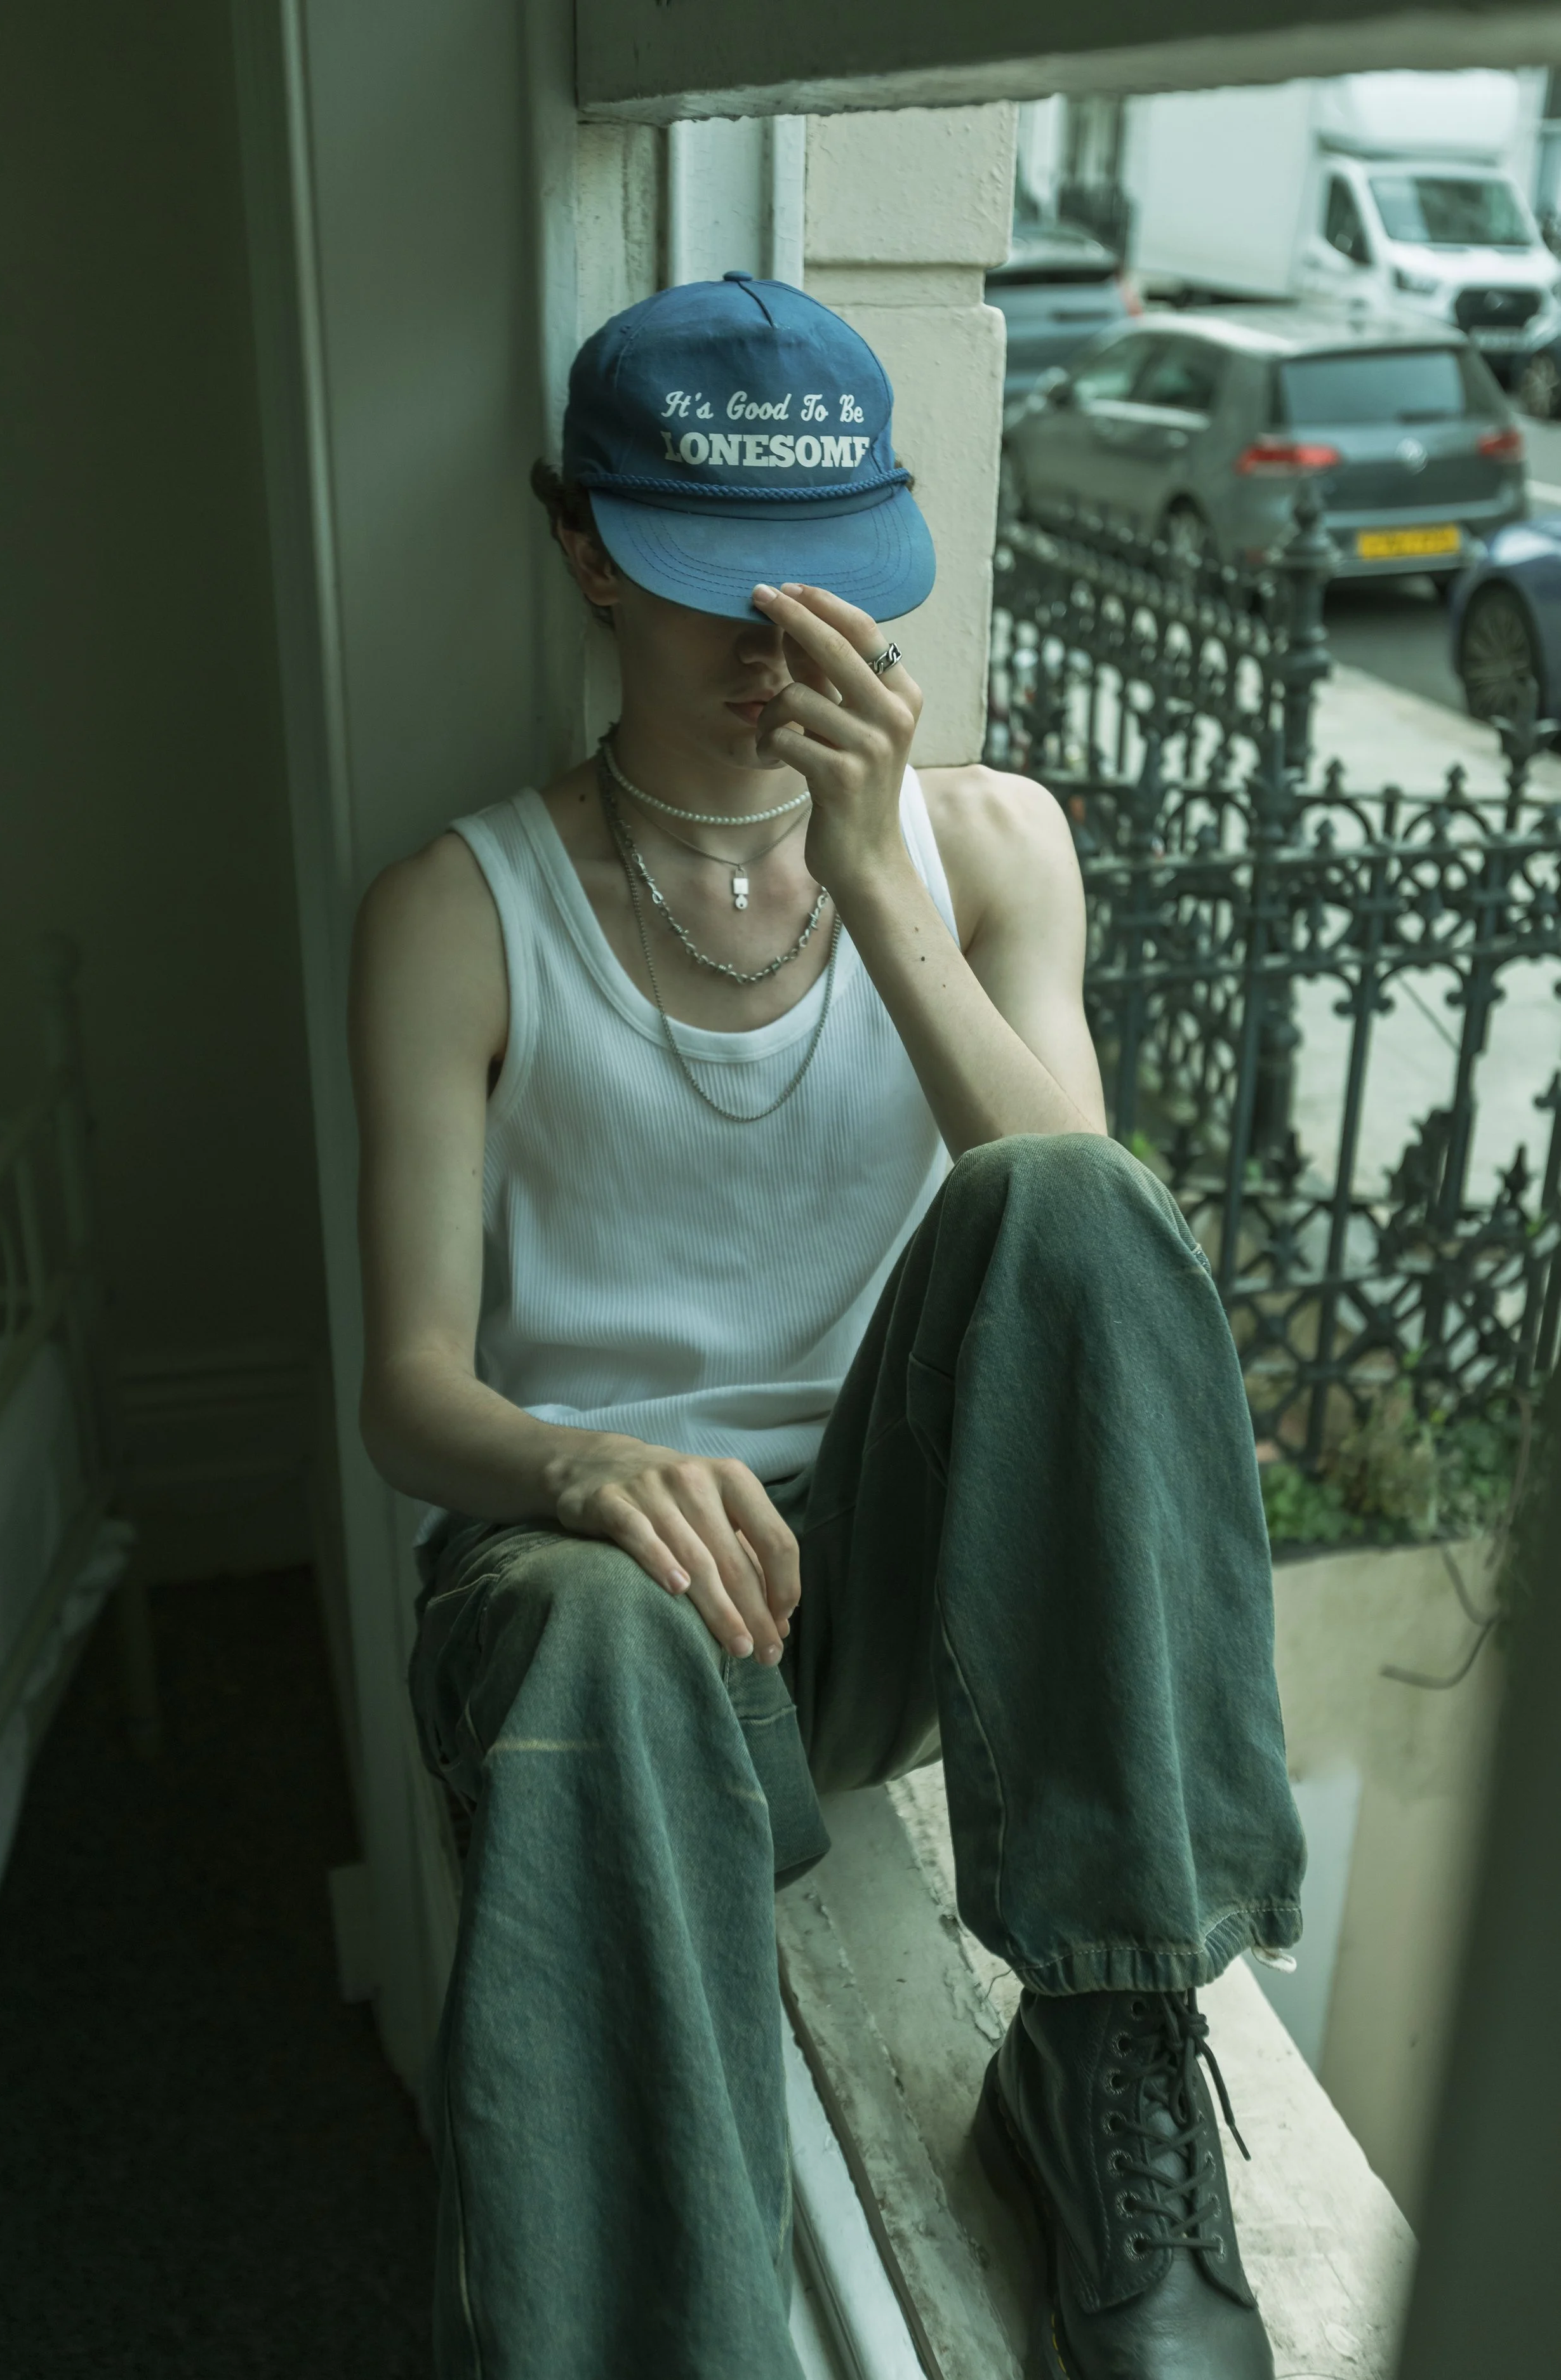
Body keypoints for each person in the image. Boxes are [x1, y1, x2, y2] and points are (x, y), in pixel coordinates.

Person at [350, 271, 1305, 2380]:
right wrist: (585, 1460)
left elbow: (1086, 1273)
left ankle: (1107, 2044)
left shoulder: (989, 845)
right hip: (598, 1587)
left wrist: (873, 874)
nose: (776, 650)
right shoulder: (456, 909)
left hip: (888, 1592)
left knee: (1071, 1189)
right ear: (586, 550)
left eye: (820, 581)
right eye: (713, 584)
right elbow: (406, 1388)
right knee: (596, 1626)